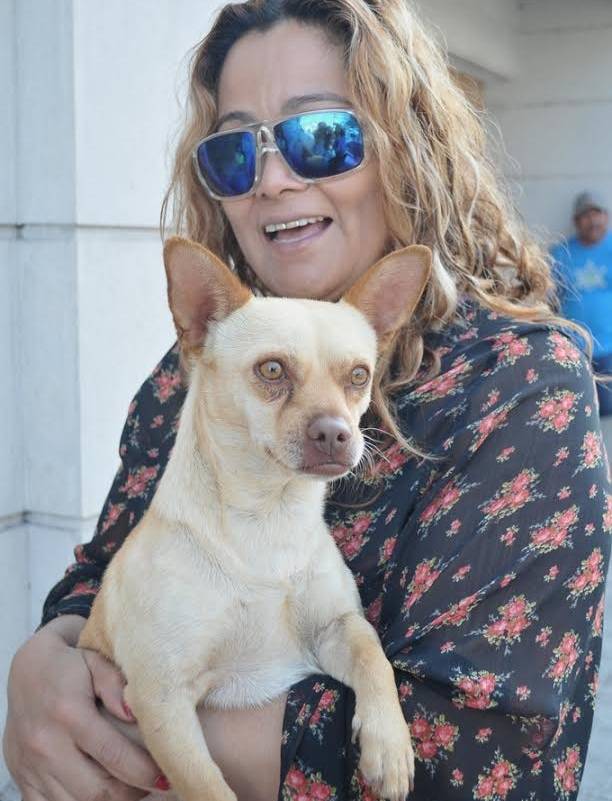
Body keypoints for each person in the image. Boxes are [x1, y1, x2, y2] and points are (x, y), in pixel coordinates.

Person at [4, 2, 611, 800]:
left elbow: (482, 763)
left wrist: (138, 713)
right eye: (235, 154)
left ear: (403, 148)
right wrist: (41, 661)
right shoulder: (191, 374)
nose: (274, 180)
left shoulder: (517, 385)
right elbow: (111, 567)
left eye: (320, 136)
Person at [552, 191, 612, 415]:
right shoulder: (561, 253)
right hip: (574, 346)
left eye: (597, 213)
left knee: (607, 410)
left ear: (606, 217)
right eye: (586, 215)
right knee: (580, 410)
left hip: (609, 348)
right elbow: (549, 298)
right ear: (576, 222)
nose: (592, 220)